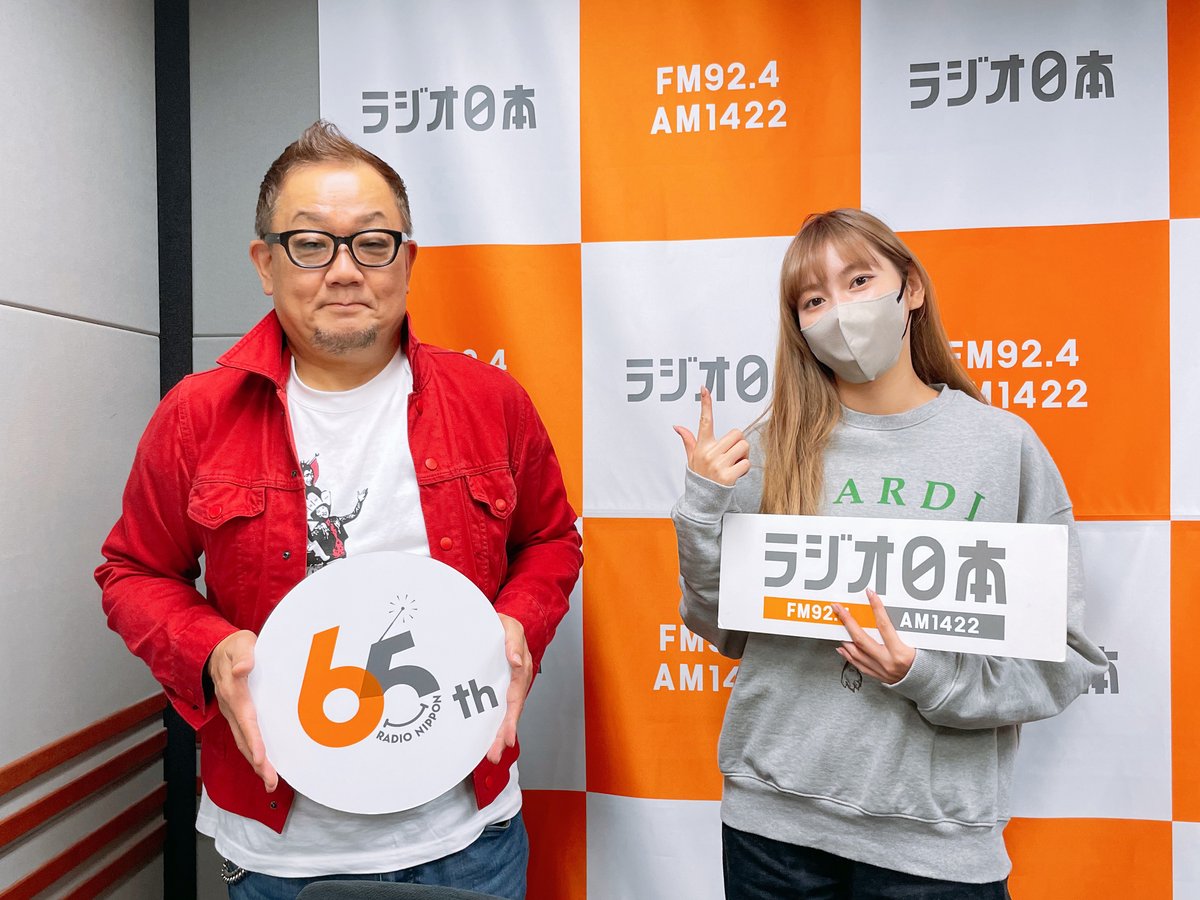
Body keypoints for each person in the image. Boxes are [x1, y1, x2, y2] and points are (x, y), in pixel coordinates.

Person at [95, 121, 582, 900]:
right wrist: (209, 648)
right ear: (265, 264)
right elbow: (133, 572)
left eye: (373, 243)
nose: (346, 270)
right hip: (281, 852)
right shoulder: (197, 414)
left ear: (409, 261)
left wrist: (519, 622)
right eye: (311, 244)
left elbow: (551, 540)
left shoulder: (490, 401)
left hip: (468, 835)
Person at [671, 208, 1108, 898]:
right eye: (814, 299)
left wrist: (924, 674)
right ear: (798, 326)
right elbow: (722, 628)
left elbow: (1061, 659)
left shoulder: (1003, 447)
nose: (840, 312)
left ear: (911, 288)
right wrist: (703, 507)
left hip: (934, 846)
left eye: (859, 281)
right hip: (772, 831)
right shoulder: (770, 448)